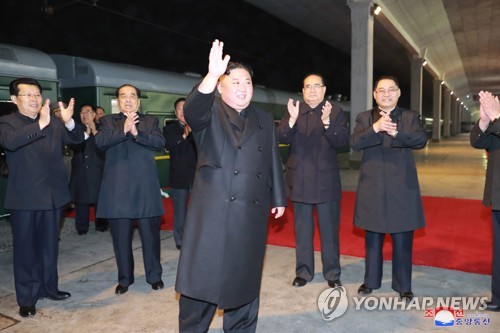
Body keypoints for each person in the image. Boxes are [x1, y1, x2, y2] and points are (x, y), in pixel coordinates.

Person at [175, 39, 286, 332]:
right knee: (202, 284)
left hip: (250, 215)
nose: (242, 87)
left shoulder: (262, 118)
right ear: (221, 88)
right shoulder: (209, 111)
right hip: (212, 214)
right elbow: (191, 111)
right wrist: (211, 75)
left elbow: (272, 157)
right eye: (234, 81)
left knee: (244, 282)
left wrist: (279, 196)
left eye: (247, 81)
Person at [0, 77, 84, 317]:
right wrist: (40, 125)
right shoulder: (6, 123)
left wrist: (68, 123)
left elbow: (78, 141)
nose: (34, 99)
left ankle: (49, 287)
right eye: (28, 95)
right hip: (25, 199)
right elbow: (11, 143)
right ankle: (27, 298)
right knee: (26, 250)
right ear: (15, 99)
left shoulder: (54, 122)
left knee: (49, 247)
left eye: (37, 94)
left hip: (54, 197)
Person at [350, 75, 427, 301]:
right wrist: (375, 128)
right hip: (372, 185)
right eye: (381, 90)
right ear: (375, 94)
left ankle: (403, 285)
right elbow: (354, 143)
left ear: (398, 92)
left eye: (391, 90)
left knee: (403, 237)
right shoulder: (364, 118)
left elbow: (420, 140)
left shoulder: (410, 117)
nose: (386, 94)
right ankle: (370, 281)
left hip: (402, 186)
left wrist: (396, 133)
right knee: (372, 237)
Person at [276, 74, 349, 289]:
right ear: (303, 90)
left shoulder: (335, 112)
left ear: (324, 90)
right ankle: (303, 272)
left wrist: (327, 123)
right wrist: (290, 120)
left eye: (317, 86)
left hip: (326, 181)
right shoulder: (294, 110)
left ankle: (332, 272)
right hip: (299, 181)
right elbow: (281, 137)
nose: (313, 90)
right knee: (302, 230)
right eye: (308, 86)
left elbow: (343, 142)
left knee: (329, 231)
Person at [95, 84, 165, 295]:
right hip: (118, 191)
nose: (128, 99)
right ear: (117, 100)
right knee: (121, 240)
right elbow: (100, 142)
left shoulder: (149, 121)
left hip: (145, 190)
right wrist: (124, 130)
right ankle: (125, 279)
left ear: (138, 101)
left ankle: (154, 276)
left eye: (132, 96)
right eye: (123, 96)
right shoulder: (108, 121)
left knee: (150, 238)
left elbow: (159, 142)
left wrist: (136, 133)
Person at [470, 90, 500, 311]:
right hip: (497, 194)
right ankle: (498, 298)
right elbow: (478, 142)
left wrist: (497, 117)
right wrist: (485, 120)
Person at [163, 97, 197, 250]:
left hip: (198, 178)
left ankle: (197, 239)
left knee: (198, 212)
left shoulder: (199, 128)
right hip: (179, 177)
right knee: (180, 213)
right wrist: (184, 134)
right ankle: (180, 240)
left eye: (186, 109)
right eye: (179, 109)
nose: (183, 112)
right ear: (175, 112)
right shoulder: (169, 129)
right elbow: (170, 146)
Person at [69, 104, 107, 234]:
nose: (84, 114)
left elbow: (104, 147)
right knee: (81, 200)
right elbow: (73, 146)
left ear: (94, 115)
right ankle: (81, 227)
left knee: (100, 200)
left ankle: (101, 224)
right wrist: (85, 133)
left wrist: (94, 131)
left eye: (88, 111)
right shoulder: (75, 130)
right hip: (81, 170)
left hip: (98, 170)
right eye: (82, 112)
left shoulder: (102, 129)